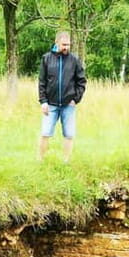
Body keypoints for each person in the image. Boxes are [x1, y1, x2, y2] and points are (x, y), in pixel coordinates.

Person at [38, 31, 87, 162]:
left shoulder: (74, 60)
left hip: (68, 105)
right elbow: (42, 82)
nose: (66, 47)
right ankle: (41, 161)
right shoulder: (46, 58)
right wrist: (43, 101)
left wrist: (76, 99)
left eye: (68, 45)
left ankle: (66, 162)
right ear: (57, 43)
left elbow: (81, 81)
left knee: (69, 135)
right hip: (50, 105)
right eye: (64, 44)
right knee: (45, 133)